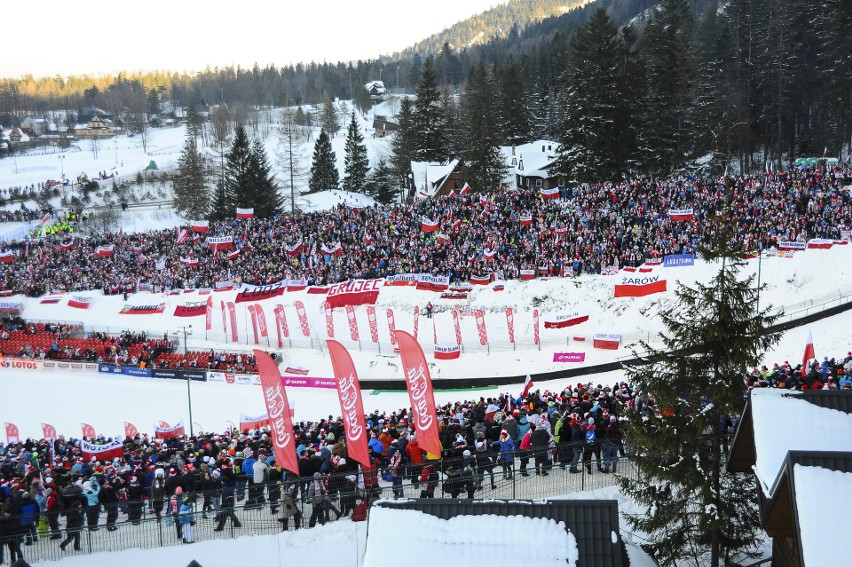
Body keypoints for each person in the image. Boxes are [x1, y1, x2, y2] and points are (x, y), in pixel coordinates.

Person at [59, 481, 85, 552]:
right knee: (75, 535)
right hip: (75, 520)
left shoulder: (67, 499)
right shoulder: (78, 501)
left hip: (71, 519)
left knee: (72, 536)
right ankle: (74, 547)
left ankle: (70, 546)